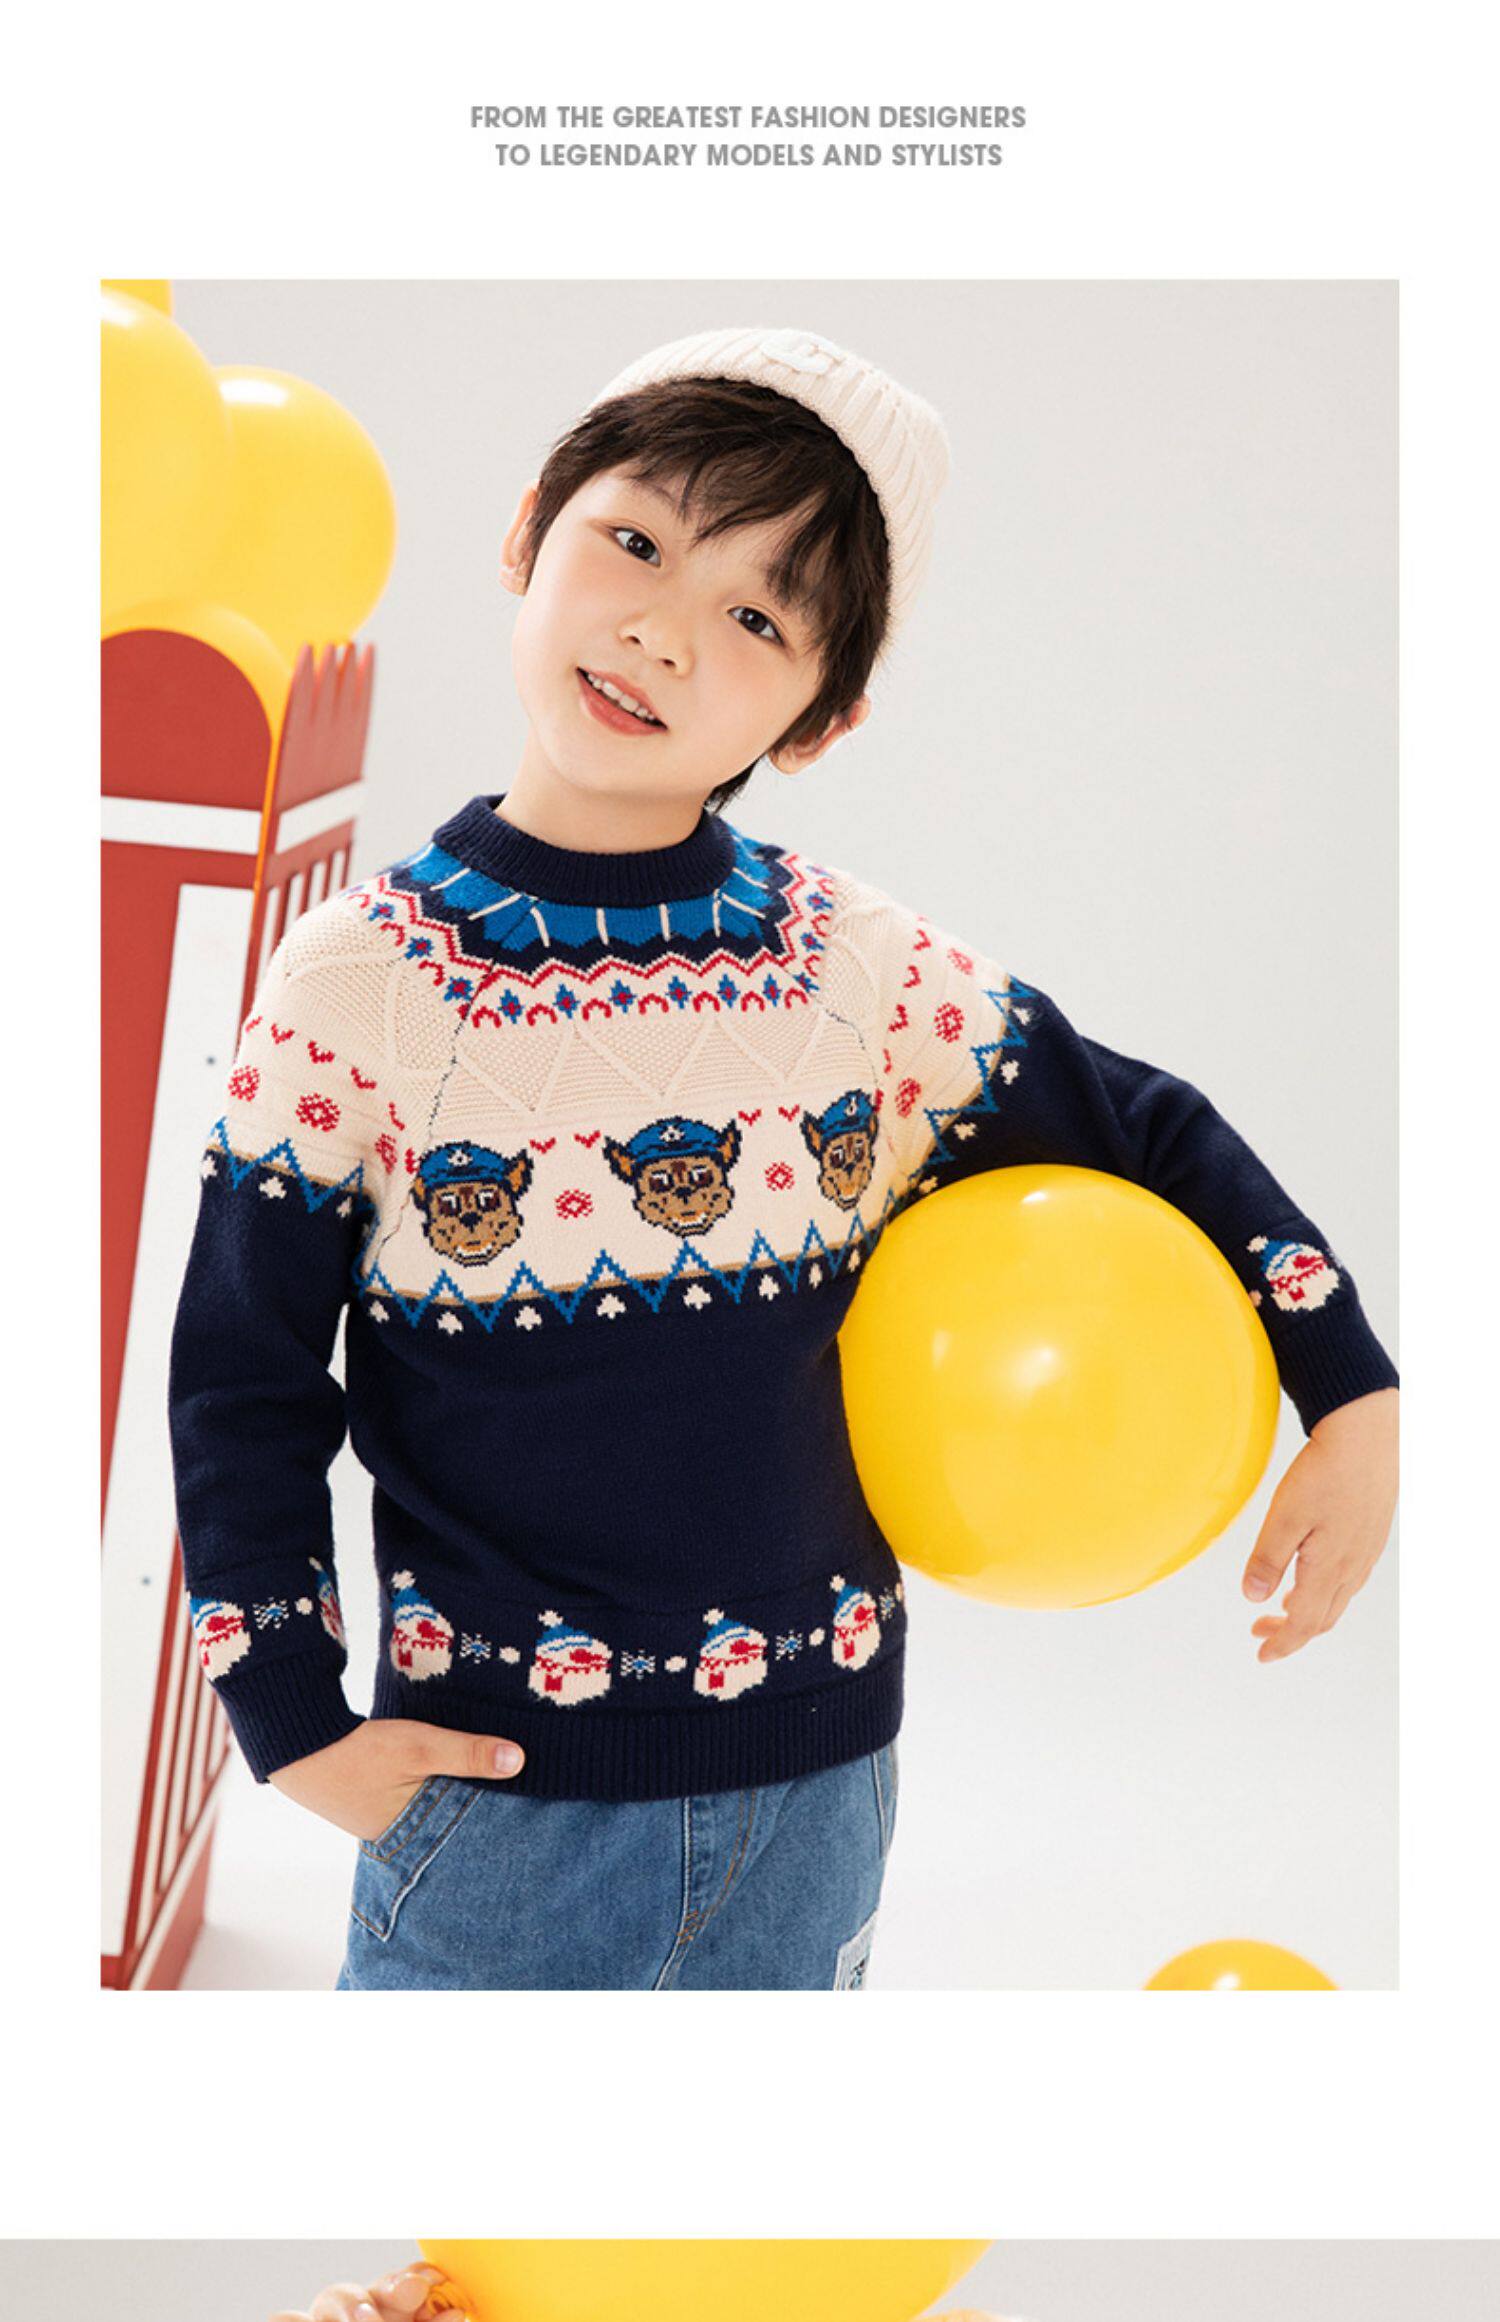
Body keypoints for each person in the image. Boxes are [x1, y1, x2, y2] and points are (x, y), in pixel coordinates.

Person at [168, 325, 1399, 1992]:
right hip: (498, 1809)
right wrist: (291, 1721)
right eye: (636, 540)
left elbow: (1143, 1125)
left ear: (823, 717)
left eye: (759, 619)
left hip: (818, 1785)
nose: (665, 629)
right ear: (528, 529)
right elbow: (242, 1380)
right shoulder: (359, 985)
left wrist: (1353, 1391)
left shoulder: (848, 969)